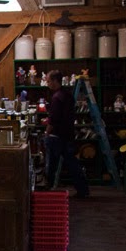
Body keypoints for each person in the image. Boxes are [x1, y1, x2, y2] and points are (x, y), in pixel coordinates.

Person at [44, 70, 89, 198]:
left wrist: (47, 132)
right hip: (68, 134)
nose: (47, 84)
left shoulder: (57, 97)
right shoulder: (67, 95)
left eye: (48, 81)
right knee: (73, 164)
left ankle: (47, 190)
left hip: (57, 136)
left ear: (54, 81)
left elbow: (53, 118)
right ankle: (83, 190)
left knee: (51, 165)